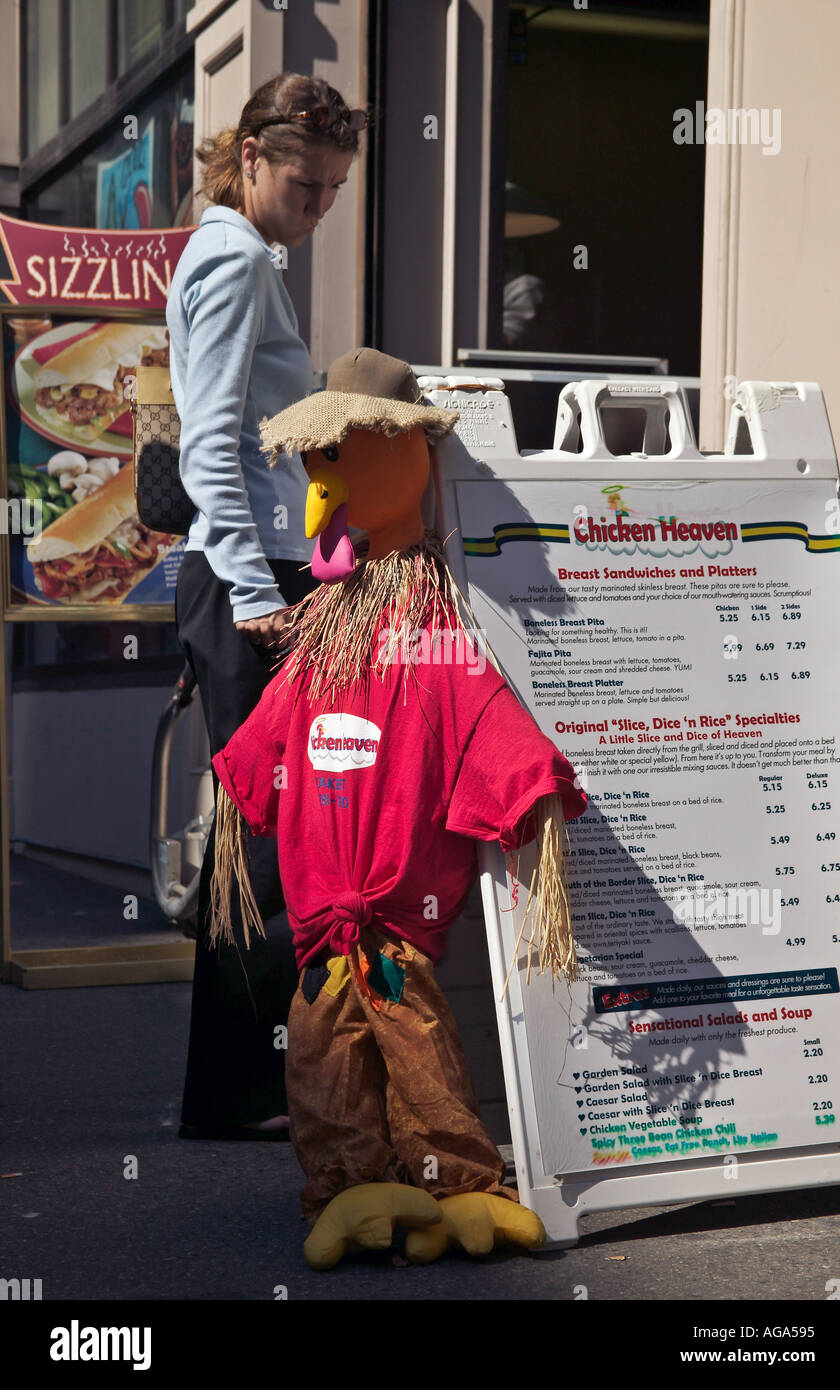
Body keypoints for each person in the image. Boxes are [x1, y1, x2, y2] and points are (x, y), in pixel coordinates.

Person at [166, 72, 365, 1137]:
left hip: (259, 573)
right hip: (250, 582)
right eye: (305, 184)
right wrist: (253, 587)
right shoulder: (238, 258)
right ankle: (247, 1092)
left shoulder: (233, 250)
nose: (318, 208)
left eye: (332, 190)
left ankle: (239, 1091)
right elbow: (210, 442)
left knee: (263, 830)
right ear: (251, 158)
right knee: (270, 831)